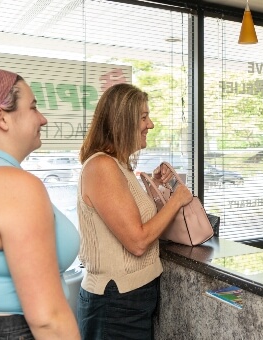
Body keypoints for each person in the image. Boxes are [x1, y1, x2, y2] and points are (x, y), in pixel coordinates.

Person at [76, 83, 193, 339]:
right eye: (143, 117)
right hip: (115, 303)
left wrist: (154, 188)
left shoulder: (119, 166)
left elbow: (131, 215)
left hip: (129, 299)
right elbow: (138, 241)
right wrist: (177, 199)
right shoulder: (102, 167)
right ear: (122, 122)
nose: (150, 124)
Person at [0, 69, 80, 339]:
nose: (44, 119)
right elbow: (48, 319)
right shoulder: (14, 185)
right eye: (34, 107)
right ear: (2, 118)